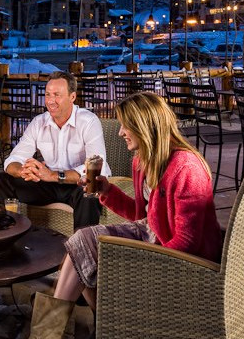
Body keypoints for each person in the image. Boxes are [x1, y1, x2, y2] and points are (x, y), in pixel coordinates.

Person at [29, 91, 223, 339]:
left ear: (145, 127)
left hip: (186, 260)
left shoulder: (186, 168)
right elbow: (138, 213)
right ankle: (95, 325)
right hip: (153, 234)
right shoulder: (142, 160)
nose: (120, 132)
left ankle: (67, 329)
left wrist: (136, 265)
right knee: (82, 242)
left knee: (87, 254)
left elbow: (187, 243)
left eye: (125, 126)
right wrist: (106, 190)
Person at [0, 71, 110, 229]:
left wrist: (53, 175)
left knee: (90, 192)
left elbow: (95, 168)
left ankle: (82, 249)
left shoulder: (89, 121)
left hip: (76, 185)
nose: (51, 101)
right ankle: (8, 234)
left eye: (57, 95)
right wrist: (23, 171)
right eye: (47, 95)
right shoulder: (39, 122)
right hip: (47, 185)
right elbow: (13, 159)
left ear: (72, 97)